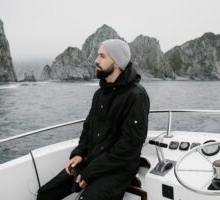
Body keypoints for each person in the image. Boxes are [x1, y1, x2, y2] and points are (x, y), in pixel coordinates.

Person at [37, 39, 150, 200]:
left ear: (117, 62)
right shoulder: (100, 94)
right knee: (45, 194)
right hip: (93, 158)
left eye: (102, 56)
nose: (96, 60)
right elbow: (88, 128)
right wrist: (79, 153)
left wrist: (89, 173)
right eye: (98, 55)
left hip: (119, 168)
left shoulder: (136, 96)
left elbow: (128, 147)